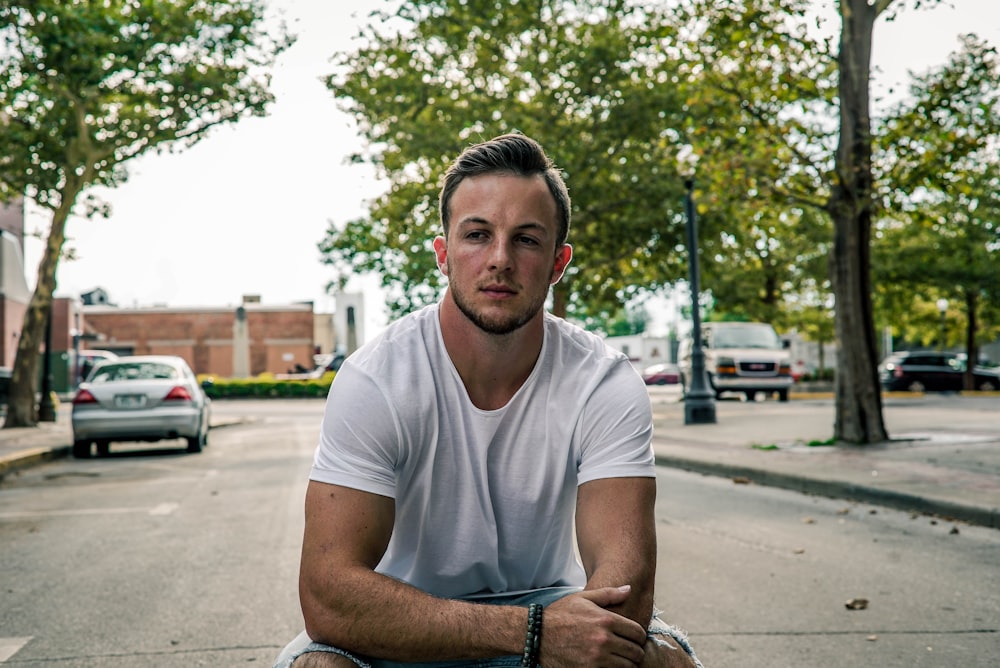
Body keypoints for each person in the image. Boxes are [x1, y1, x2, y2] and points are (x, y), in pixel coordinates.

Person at [274, 133, 702, 668]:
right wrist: (531, 633)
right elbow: (328, 596)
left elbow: (625, 595)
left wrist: (548, 629)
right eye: (477, 235)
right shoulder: (377, 379)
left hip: (553, 604)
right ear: (444, 254)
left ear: (557, 262)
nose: (499, 259)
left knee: (661, 660)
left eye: (526, 239)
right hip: (405, 620)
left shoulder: (602, 381)